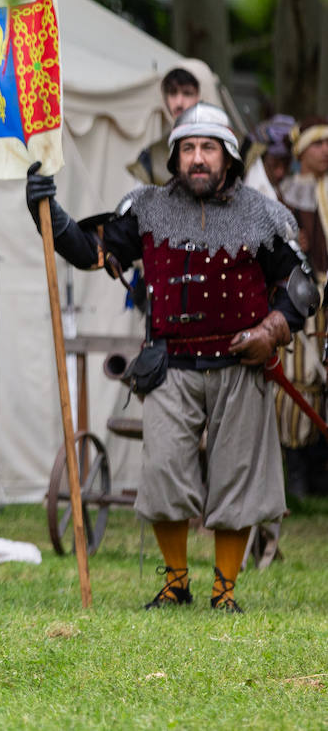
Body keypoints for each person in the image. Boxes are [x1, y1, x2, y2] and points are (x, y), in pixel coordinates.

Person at [26, 103, 314, 612]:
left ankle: (224, 591)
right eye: (188, 149)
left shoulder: (263, 214)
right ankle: (176, 583)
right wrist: (48, 212)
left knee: (239, 477)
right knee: (163, 474)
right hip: (170, 365)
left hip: (241, 365)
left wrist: (271, 330)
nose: (197, 159)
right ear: (175, 157)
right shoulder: (146, 209)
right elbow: (90, 252)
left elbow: (301, 289)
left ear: (227, 156)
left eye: (207, 149)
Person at [276, 116, 328, 495]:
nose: (325, 151)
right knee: (300, 379)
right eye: (317, 143)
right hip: (303, 299)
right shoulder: (284, 194)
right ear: (300, 151)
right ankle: (297, 473)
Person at [128, 66, 203, 186]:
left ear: (199, 96)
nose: (179, 102)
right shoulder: (152, 157)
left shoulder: (233, 147)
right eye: (173, 93)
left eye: (187, 93)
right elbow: (139, 202)